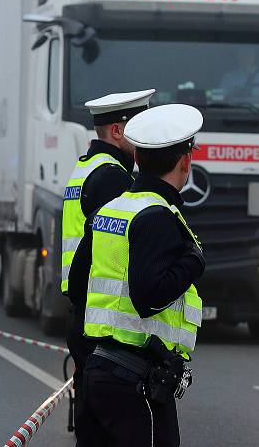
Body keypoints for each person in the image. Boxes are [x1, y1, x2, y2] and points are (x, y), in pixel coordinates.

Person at [71, 104, 206, 447]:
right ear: (185, 162)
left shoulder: (112, 209)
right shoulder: (157, 216)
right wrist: (194, 261)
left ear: (140, 159)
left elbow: (76, 284)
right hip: (135, 381)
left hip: (100, 369)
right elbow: (149, 297)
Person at [61, 89, 153, 446]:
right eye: (138, 127)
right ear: (117, 131)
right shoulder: (113, 178)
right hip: (97, 319)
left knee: (91, 423)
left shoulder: (86, 167)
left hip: (82, 310)